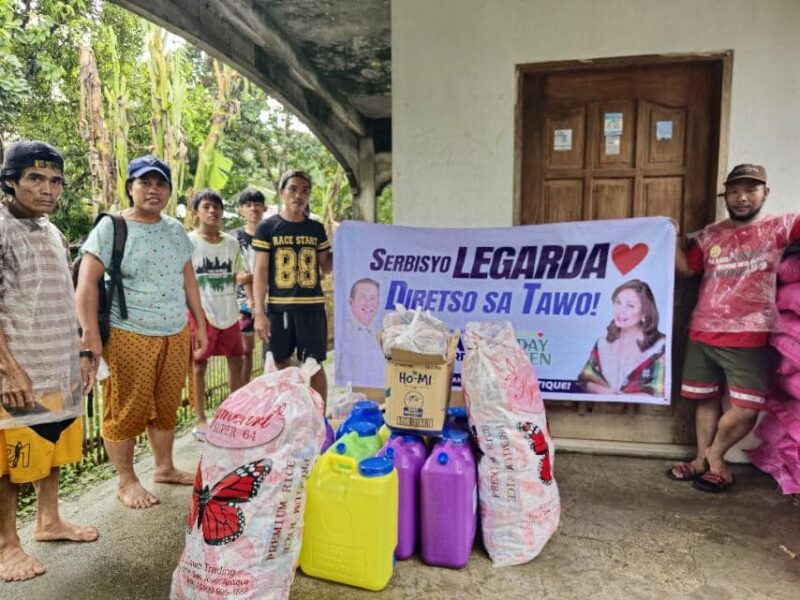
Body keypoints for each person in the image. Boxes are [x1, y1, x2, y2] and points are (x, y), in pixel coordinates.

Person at [76, 155, 208, 509]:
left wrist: (200, 323)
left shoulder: (175, 229)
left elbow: (188, 278)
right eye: (144, 182)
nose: (153, 189)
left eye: (160, 183)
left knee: (166, 406)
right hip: (128, 332)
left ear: (168, 190)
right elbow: (86, 283)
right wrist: (89, 334)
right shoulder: (112, 227)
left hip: (175, 331)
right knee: (126, 409)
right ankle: (127, 480)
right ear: (130, 187)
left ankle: (164, 468)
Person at [0, 141, 98, 582]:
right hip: (16, 370)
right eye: (35, 179)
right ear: (10, 181)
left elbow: (62, 299)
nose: (47, 189)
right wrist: (9, 369)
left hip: (57, 364)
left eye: (55, 180)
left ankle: (49, 521)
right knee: (9, 462)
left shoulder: (53, 232)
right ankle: (6, 545)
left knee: (53, 443)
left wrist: (80, 352)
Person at [669, 163, 800, 493]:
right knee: (706, 398)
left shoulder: (782, 226)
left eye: (751, 190)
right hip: (703, 330)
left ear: (764, 193)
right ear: (725, 194)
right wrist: (670, 238)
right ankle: (700, 461)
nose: (742, 198)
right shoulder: (710, 234)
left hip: (749, 335)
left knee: (746, 406)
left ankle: (715, 458)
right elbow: (685, 271)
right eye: (735, 190)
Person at [252, 169, 332, 404]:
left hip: (312, 307)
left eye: (305, 191)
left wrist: (349, 244)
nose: (299, 195)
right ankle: (285, 412)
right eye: (293, 189)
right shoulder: (267, 228)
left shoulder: (315, 229)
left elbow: (326, 266)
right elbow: (261, 270)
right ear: (282, 191)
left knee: (314, 365)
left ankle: (319, 418)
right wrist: (259, 312)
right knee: (279, 363)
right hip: (280, 307)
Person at [188, 189, 249, 439]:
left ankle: (232, 413)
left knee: (237, 359)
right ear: (196, 212)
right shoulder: (189, 242)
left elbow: (236, 274)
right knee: (199, 364)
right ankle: (200, 419)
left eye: (217, 206)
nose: (212, 211)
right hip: (201, 312)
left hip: (229, 311)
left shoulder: (232, 243)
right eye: (206, 206)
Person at [577, 279, 666, 396]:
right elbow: (584, 379)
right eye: (618, 303)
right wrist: (607, 392)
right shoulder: (603, 343)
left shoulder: (660, 346)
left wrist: (624, 398)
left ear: (645, 313)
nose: (621, 310)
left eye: (630, 306)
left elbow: (658, 390)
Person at [229, 188, 266, 384]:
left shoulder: (270, 234)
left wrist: (254, 276)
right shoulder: (234, 237)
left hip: (271, 300)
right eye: (248, 205)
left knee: (272, 352)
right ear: (241, 210)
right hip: (242, 303)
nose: (253, 209)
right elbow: (240, 275)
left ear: (264, 208)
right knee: (246, 352)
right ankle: (242, 395)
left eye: (257, 204)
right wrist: (252, 298)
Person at [337, 278, 386, 387]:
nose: (368, 303)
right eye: (362, 297)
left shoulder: (382, 334)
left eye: (372, 298)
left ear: (378, 303)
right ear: (351, 301)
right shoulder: (341, 333)